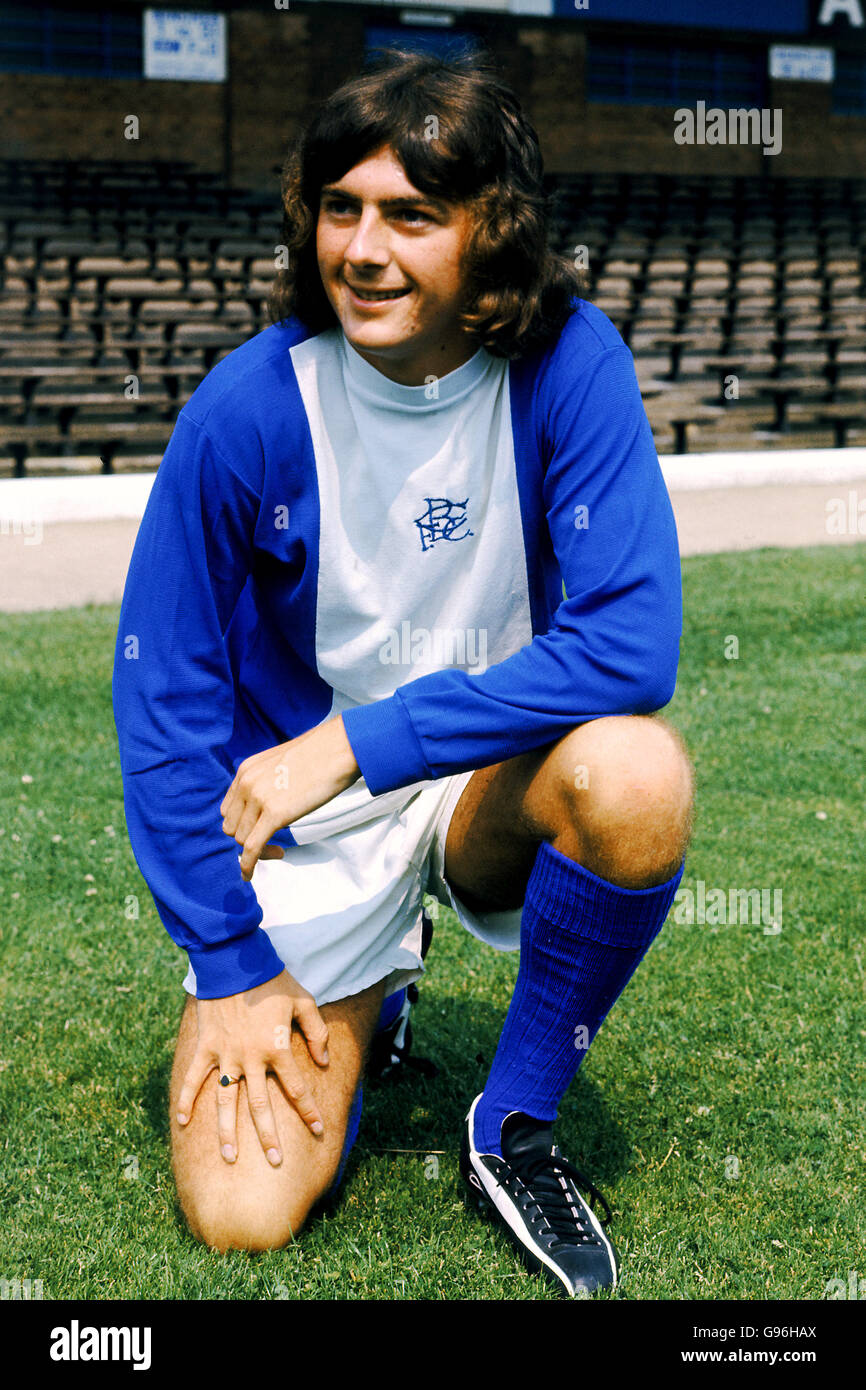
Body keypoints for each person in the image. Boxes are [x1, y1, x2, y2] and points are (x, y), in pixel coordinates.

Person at [112, 44, 694, 1298]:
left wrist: (360, 742)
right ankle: (375, 995)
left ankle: (513, 1124)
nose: (364, 250)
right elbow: (163, 705)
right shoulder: (247, 408)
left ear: (491, 231)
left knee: (635, 776)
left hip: (471, 775)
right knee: (240, 1213)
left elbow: (630, 643)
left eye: (412, 215)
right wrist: (230, 966)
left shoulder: (567, 361)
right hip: (311, 827)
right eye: (341, 209)